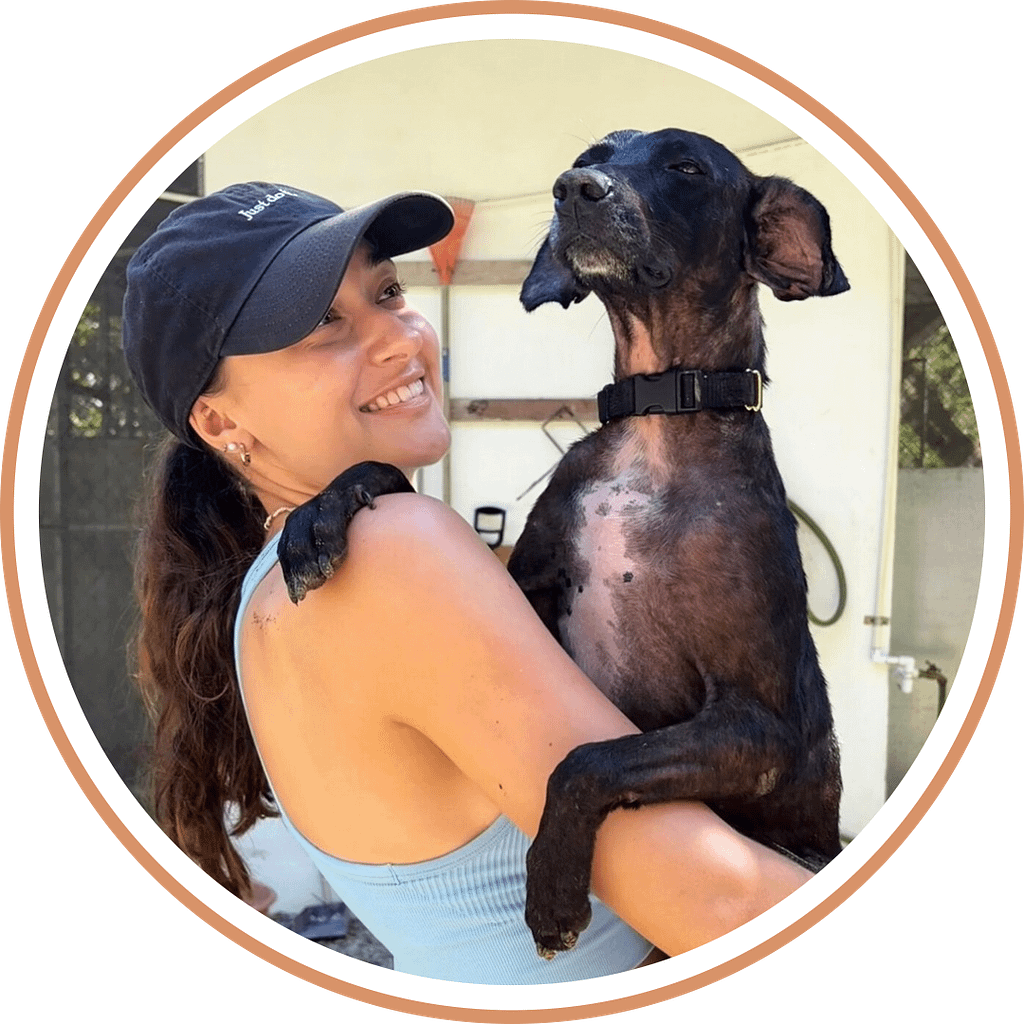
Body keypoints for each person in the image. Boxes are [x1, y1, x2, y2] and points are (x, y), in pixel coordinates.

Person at [123, 181, 812, 985]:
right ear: (219, 422)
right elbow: (718, 906)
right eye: (323, 327)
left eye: (387, 291)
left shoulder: (270, 593)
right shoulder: (387, 551)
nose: (398, 339)